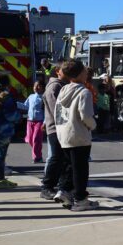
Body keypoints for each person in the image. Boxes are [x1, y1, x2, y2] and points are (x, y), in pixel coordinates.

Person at [54, 60, 98, 210]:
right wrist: (92, 125)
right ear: (80, 74)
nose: (87, 73)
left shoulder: (63, 90)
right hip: (78, 134)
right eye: (85, 71)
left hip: (63, 132)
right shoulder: (84, 92)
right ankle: (80, 199)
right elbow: (86, 116)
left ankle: (64, 190)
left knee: (69, 166)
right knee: (80, 168)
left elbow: (57, 112)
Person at [41, 61, 73, 203]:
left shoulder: (62, 85)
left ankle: (61, 186)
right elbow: (57, 110)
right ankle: (47, 187)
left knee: (63, 159)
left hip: (61, 127)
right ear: (58, 71)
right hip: (56, 128)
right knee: (56, 158)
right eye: (65, 70)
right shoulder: (55, 86)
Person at [23, 80, 46, 163]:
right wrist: (15, 104)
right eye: (34, 86)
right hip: (30, 121)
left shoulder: (44, 97)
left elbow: (46, 111)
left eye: (39, 86)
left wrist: (44, 122)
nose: (36, 87)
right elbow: (25, 106)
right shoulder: (31, 96)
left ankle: (37, 157)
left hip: (39, 121)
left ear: (43, 88)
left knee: (36, 139)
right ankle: (37, 153)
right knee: (29, 139)